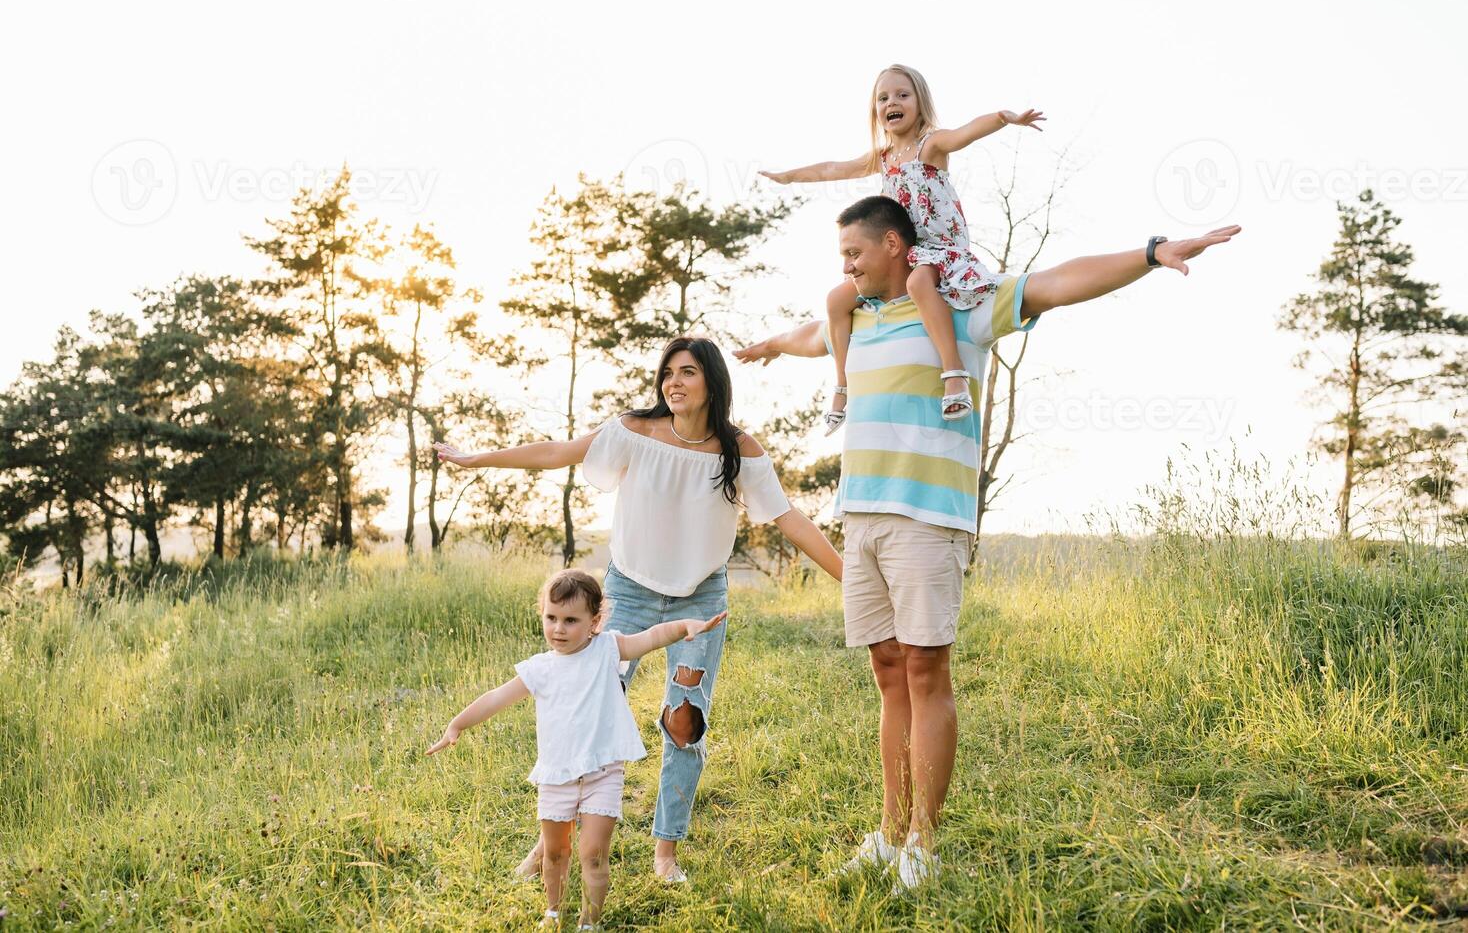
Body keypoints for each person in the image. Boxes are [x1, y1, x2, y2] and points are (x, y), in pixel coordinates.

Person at [736, 195, 1240, 888]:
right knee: (887, 673)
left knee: (924, 671)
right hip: (863, 518)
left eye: (854, 252)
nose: (846, 266)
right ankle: (888, 832)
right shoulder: (857, 317)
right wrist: (765, 346)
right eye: (840, 257)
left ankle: (922, 841)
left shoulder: (958, 307)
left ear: (893, 245)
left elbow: (1057, 284)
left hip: (926, 516)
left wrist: (1152, 253)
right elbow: (805, 335)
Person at [433, 336, 843, 883]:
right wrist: (477, 459)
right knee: (589, 713)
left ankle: (665, 852)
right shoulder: (634, 431)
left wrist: (853, 579)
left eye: (688, 372)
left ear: (713, 382)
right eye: (668, 372)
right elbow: (559, 452)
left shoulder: (739, 451)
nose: (674, 382)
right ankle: (548, 844)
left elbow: (788, 518)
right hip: (626, 593)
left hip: (701, 598)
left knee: (684, 723)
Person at [426, 568, 727, 929]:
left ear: (594, 622)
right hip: (556, 776)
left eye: (571, 620)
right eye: (551, 618)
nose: (558, 629)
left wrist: (684, 627)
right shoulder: (539, 669)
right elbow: (496, 698)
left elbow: (650, 637)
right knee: (555, 854)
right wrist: (457, 724)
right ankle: (553, 911)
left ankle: (590, 921)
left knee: (593, 854)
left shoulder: (608, 648)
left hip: (603, 772)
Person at [759, 62, 1045, 432]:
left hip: (939, 248)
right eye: (883, 98)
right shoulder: (881, 159)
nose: (891, 102)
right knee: (835, 300)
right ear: (875, 111)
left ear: (919, 103)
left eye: (901, 95)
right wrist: (789, 176)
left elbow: (966, 133)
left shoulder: (931, 145)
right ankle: (843, 386)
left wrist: (1005, 118)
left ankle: (953, 373)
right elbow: (832, 168)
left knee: (918, 284)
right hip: (900, 252)